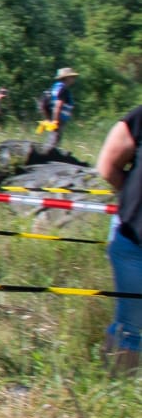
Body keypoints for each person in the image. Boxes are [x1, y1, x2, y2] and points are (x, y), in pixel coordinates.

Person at [93, 110, 142, 374]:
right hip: (134, 240)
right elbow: (107, 167)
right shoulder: (139, 118)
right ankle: (118, 386)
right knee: (130, 327)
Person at [42, 67, 79, 153]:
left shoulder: (54, 88)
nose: (74, 79)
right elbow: (58, 106)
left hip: (53, 118)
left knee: (51, 140)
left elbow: (43, 103)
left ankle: (47, 154)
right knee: (54, 143)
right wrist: (55, 122)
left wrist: (48, 119)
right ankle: (49, 156)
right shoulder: (63, 90)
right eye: (72, 77)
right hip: (58, 120)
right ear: (66, 78)